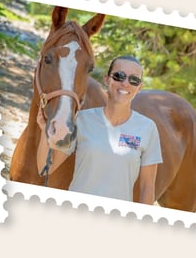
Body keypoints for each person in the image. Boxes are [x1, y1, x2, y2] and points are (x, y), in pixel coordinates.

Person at [65, 56, 163, 204]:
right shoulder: (82, 119)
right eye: (119, 76)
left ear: (139, 87)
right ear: (106, 79)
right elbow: (47, 167)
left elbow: (147, 187)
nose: (125, 83)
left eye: (133, 80)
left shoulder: (148, 128)